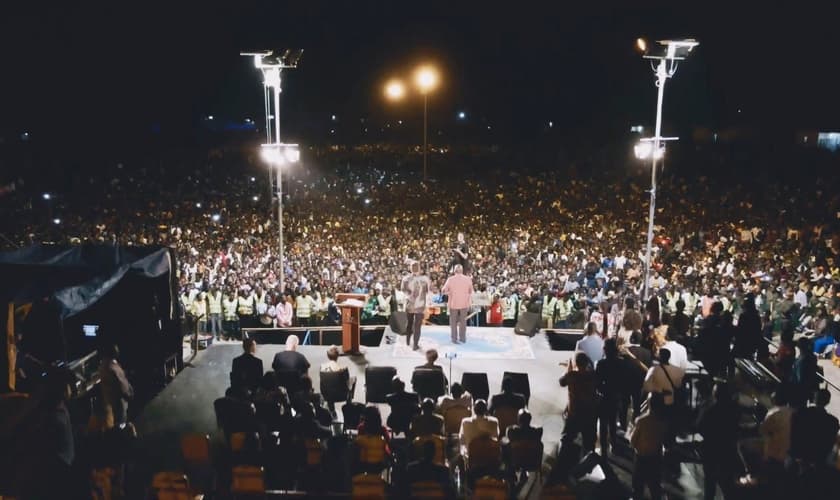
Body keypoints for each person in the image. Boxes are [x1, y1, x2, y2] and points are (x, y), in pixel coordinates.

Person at [697, 383, 741, 500]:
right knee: (727, 483)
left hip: (711, 449)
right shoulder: (734, 410)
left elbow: (700, 427)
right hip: (727, 449)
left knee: (710, 482)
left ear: (715, 394)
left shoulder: (710, 410)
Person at [630, 393, 667, 500]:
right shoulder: (663, 421)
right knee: (655, 488)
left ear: (649, 404)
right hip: (656, 458)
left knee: (638, 488)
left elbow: (632, 441)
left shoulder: (642, 421)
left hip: (641, 459)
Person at [560, 352, 598, 454]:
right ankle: (589, 460)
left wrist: (568, 369)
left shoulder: (572, 375)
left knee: (567, 439)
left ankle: (563, 459)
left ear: (576, 363)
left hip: (574, 413)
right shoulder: (593, 376)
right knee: (589, 443)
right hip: (590, 413)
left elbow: (561, 382)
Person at [790, 389, 840, 466]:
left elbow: (793, 433)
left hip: (799, 455)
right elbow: (830, 442)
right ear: (828, 402)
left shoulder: (801, 413)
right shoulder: (833, 421)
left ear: (814, 399)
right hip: (818, 458)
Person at [596, 338, 624, 456]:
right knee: (613, 422)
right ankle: (613, 444)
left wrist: (601, 390)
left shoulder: (601, 363)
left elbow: (597, 382)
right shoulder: (621, 363)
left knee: (603, 423)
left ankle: (603, 449)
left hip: (604, 396)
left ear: (605, 350)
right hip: (616, 395)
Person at [98, 343, 134, 427]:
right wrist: (129, 394)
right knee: (121, 424)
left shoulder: (104, 365)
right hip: (118, 403)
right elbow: (121, 385)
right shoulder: (112, 368)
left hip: (111, 402)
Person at [401, 261, 432, 350]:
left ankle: (408, 342)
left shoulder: (406, 278)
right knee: (416, 325)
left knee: (410, 323)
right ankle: (414, 344)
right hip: (418, 304)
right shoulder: (424, 279)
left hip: (413, 304)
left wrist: (410, 295)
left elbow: (403, 290)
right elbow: (428, 291)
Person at [442, 264, 474, 344]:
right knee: (463, 322)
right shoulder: (468, 279)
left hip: (453, 303)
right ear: (462, 271)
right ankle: (462, 338)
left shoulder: (450, 279)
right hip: (464, 303)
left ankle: (454, 339)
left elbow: (443, 291)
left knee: (453, 322)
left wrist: (449, 293)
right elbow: (471, 291)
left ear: (454, 271)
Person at [732, 293, 762, 360]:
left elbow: (740, 331)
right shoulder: (756, 316)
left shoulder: (743, 316)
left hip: (742, 345)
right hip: (751, 346)